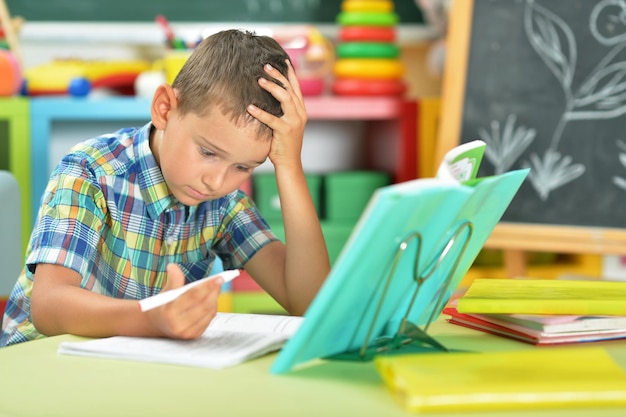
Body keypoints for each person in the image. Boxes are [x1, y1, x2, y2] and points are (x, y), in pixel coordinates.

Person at [1, 29, 330, 346]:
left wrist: (289, 165)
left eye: (242, 167)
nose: (216, 181)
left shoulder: (225, 202)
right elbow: (49, 307)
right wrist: (150, 320)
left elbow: (309, 305)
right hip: (42, 360)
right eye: (207, 152)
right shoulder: (91, 172)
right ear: (165, 108)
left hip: (129, 368)